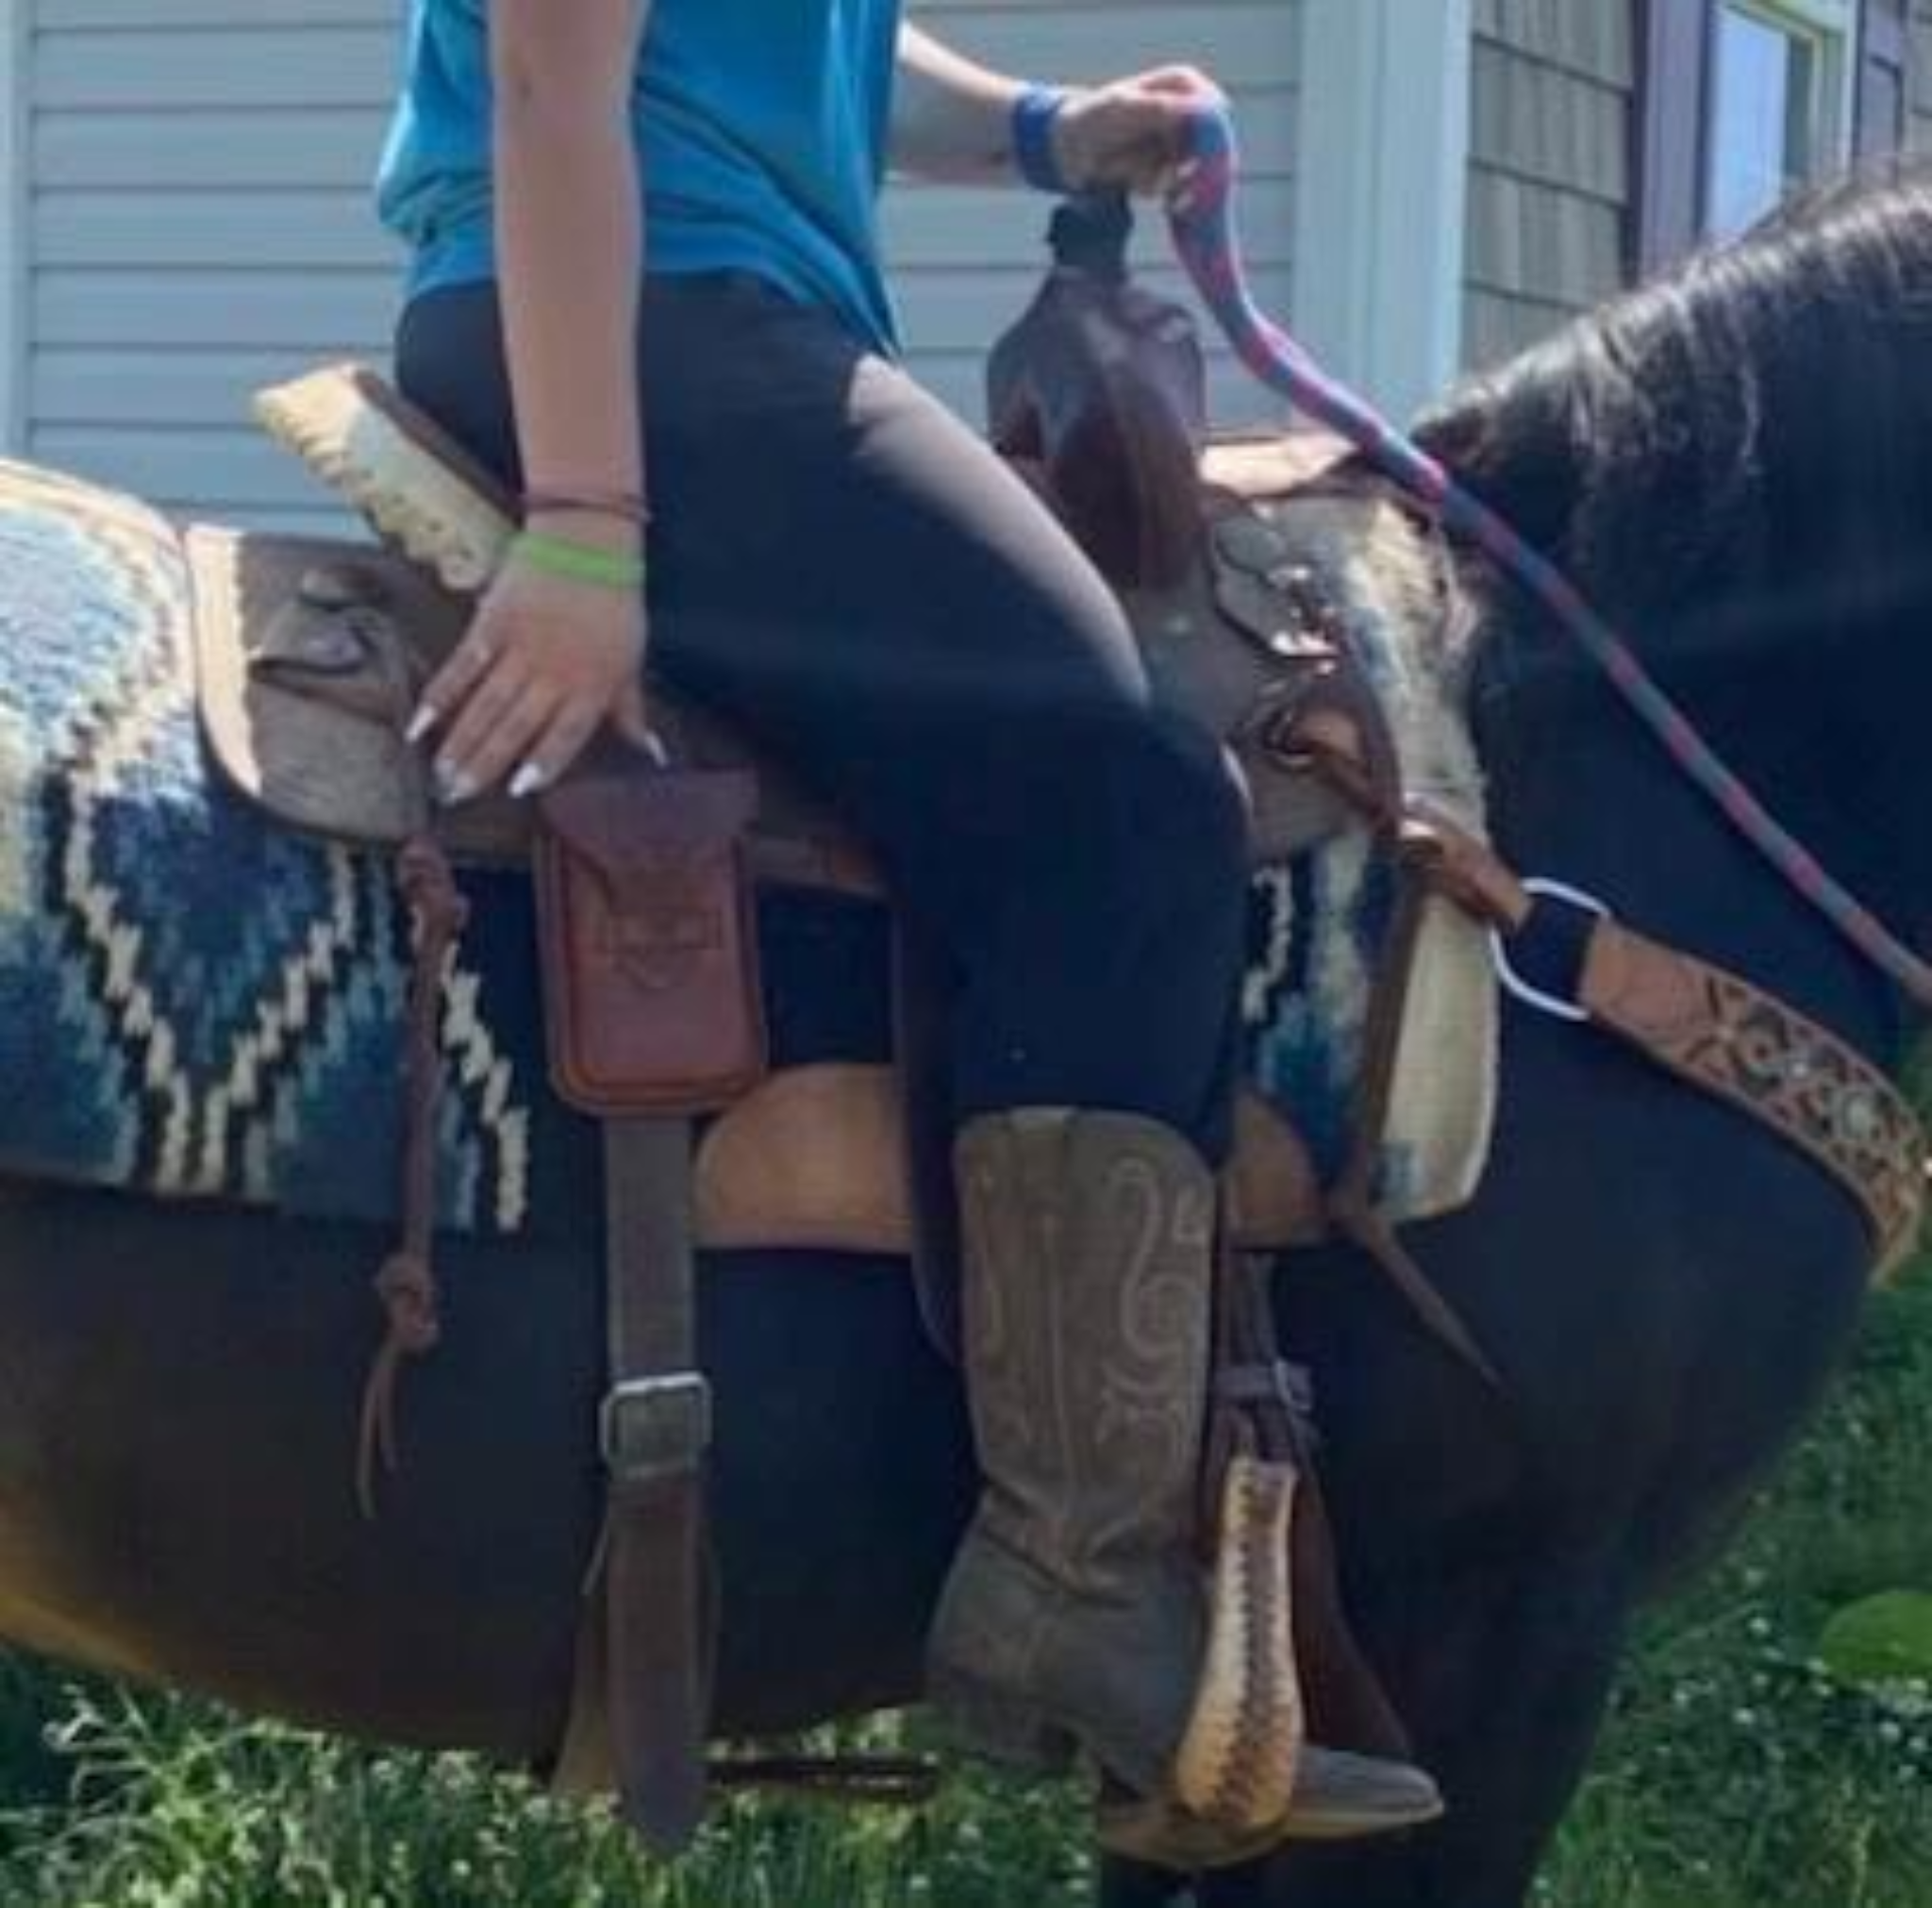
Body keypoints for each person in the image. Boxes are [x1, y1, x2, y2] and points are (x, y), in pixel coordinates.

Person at [375, 0, 1438, 1861]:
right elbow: (556, 75)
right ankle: (1075, 1576)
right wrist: (587, 524)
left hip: (693, 318)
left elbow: (808, 58)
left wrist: (1046, 129)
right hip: (655, 328)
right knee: (1129, 808)